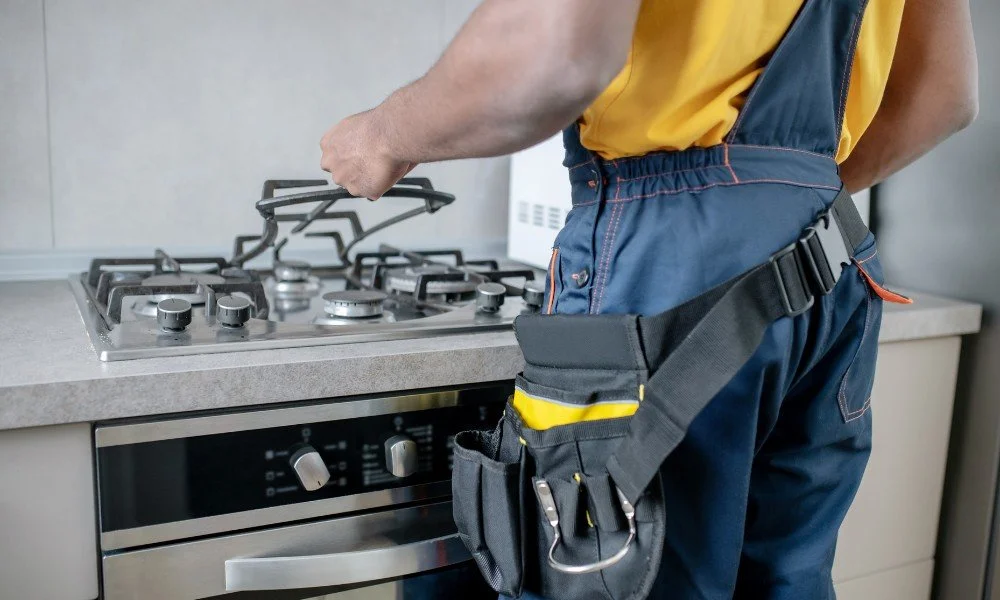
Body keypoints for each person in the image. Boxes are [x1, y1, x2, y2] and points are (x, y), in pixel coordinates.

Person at [319, 0, 978, 597]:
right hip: (827, 254)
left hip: (669, 259)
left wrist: (382, 134)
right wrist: (775, 207)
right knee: (786, 580)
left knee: (613, 577)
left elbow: (557, 52)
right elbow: (944, 96)